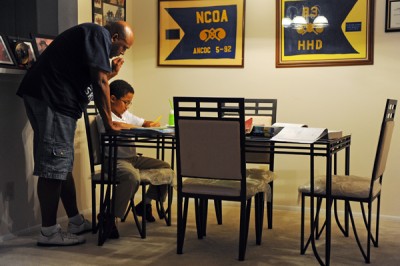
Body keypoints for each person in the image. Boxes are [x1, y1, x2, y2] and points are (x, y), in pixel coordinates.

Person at [16, 21, 134, 246]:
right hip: (54, 100)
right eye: (123, 47)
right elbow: (99, 82)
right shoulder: (98, 33)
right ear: (114, 37)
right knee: (54, 165)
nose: (122, 52)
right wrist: (109, 123)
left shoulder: (92, 40)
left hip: (53, 99)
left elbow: (93, 82)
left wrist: (110, 74)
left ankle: (76, 221)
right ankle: (49, 232)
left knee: (62, 164)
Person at [96, 80, 172, 236]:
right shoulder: (104, 114)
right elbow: (117, 126)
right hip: (114, 159)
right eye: (126, 102)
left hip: (132, 158)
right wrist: (138, 127)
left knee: (165, 167)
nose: (127, 106)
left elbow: (143, 122)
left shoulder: (125, 114)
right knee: (131, 177)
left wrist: (151, 124)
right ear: (112, 99)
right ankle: (109, 215)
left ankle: (144, 204)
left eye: (130, 103)